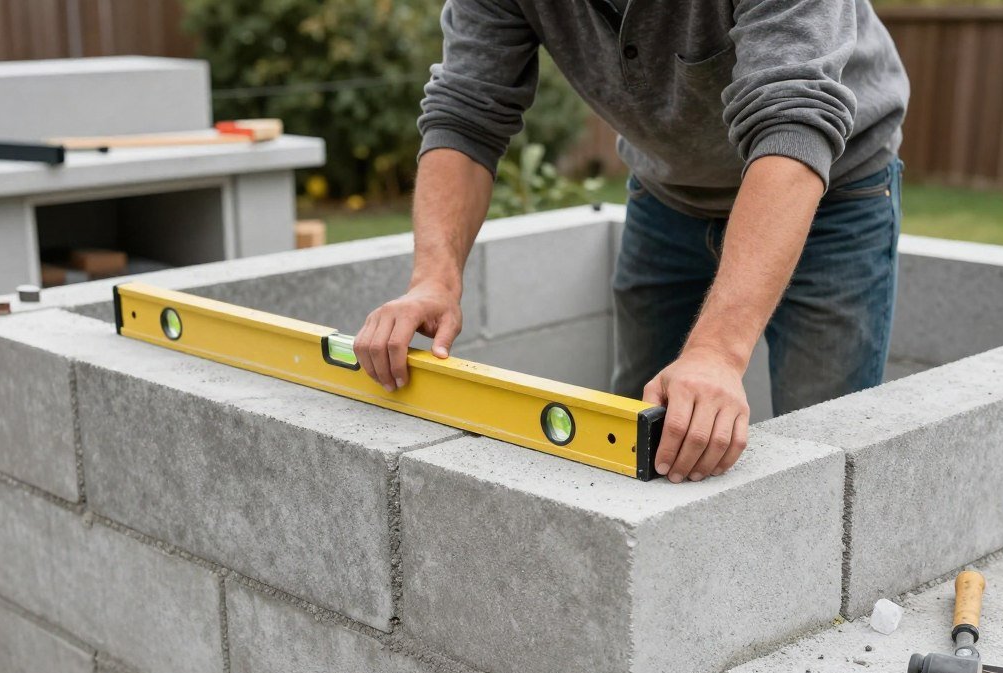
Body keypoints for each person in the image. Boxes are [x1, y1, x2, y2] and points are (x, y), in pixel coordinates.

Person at [354, 0, 909, 483]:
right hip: (668, 194)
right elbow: (466, 112)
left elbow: (793, 118)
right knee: (634, 435)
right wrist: (433, 279)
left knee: (825, 453)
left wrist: (717, 352)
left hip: (831, 192)